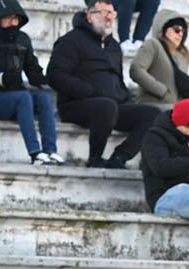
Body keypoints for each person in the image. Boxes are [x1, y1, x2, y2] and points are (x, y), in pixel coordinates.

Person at [48, 0, 160, 169]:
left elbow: (118, 79)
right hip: (77, 105)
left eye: (112, 13)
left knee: (153, 114)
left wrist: (125, 97)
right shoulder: (70, 41)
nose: (109, 18)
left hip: (112, 106)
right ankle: (95, 158)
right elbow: (55, 75)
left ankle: (120, 157)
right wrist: (87, 90)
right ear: (89, 16)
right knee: (106, 106)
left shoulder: (113, 46)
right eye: (103, 13)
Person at [0, 0, 61, 164]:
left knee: (44, 98)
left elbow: (32, 69)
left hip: (16, 99)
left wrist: (45, 78)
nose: (13, 22)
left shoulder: (22, 39)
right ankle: (35, 153)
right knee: (23, 97)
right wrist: (0, 78)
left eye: (16, 18)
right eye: (8, 18)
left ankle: (50, 151)